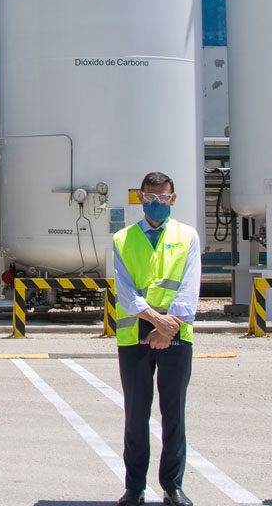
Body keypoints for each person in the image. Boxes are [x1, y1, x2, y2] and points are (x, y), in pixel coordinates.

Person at [111, 172, 202, 506]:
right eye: (150, 197)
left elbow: (190, 288)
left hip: (176, 334)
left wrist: (168, 327)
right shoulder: (122, 239)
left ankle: (172, 485)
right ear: (140, 197)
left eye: (163, 198)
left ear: (173, 199)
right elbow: (125, 292)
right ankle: (134, 487)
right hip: (136, 334)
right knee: (136, 415)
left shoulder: (187, 237)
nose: (156, 203)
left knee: (173, 413)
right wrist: (155, 321)